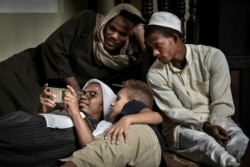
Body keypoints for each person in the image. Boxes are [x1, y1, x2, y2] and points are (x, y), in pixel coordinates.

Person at [0, 3, 145, 116]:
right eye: (111, 28)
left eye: (122, 34)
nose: (114, 36)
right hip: (33, 70)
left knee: (26, 118)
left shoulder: (128, 60)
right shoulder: (88, 20)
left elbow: (148, 73)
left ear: (130, 38)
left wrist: (141, 37)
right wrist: (75, 88)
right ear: (106, 22)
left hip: (58, 93)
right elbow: (53, 47)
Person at [144, 11, 249, 167]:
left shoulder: (212, 57)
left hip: (219, 121)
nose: (154, 53)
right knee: (209, 145)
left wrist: (215, 125)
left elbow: (222, 103)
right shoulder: (155, 74)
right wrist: (205, 127)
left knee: (240, 141)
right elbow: (176, 113)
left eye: (157, 45)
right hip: (180, 129)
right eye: (151, 48)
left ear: (174, 38)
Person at [0, 79, 116, 167]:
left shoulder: (103, 125)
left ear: (104, 105)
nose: (84, 96)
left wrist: (75, 112)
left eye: (92, 94)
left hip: (23, 146)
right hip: (14, 125)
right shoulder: (64, 112)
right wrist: (41, 110)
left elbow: (91, 149)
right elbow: (35, 121)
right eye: (83, 93)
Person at [58, 79, 165, 167]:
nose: (112, 103)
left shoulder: (132, 106)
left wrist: (126, 120)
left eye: (118, 99)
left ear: (134, 101)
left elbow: (157, 117)